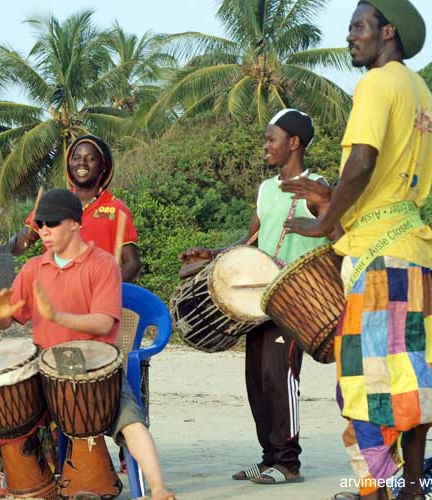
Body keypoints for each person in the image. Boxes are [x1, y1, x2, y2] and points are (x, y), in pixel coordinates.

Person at [287, 2, 432, 499]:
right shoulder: (421, 92)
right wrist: (325, 196)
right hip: (415, 251)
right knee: (415, 376)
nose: (350, 36)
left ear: (388, 32)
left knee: (367, 383)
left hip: (378, 260)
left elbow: (362, 162)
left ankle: (376, 491)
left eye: (359, 27)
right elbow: (383, 180)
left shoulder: (376, 84)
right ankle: (414, 490)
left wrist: (323, 224)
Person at [0, 189, 175, 500]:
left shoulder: (102, 264)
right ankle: (23, 480)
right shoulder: (35, 267)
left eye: (51, 223)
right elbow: (10, 319)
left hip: (94, 366)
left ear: (75, 223)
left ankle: (157, 488)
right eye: (40, 225)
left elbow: (104, 322)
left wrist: (57, 316)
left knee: (130, 419)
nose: (43, 231)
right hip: (44, 365)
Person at [178, 109, 331, 485]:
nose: (265, 145)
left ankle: (288, 463)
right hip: (261, 301)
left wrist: (321, 212)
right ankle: (268, 457)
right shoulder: (266, 189)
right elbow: (250, 242)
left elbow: (333, 228)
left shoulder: (317, 184)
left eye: (271, 138)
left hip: (299, 300)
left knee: (282, 378)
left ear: (293, 143)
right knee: (258, 378)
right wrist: (212, 257)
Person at [9, 135, 142, 283]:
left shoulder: (117, 209)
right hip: (55, 294)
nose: (82, 163)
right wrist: (20, 241)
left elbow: (133, 263)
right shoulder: (54, 203)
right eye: (77, 157)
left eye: (90, 158)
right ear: (69, 164)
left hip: (96, 296)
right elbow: (16, 247)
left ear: (103, 167)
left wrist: (110, 289)